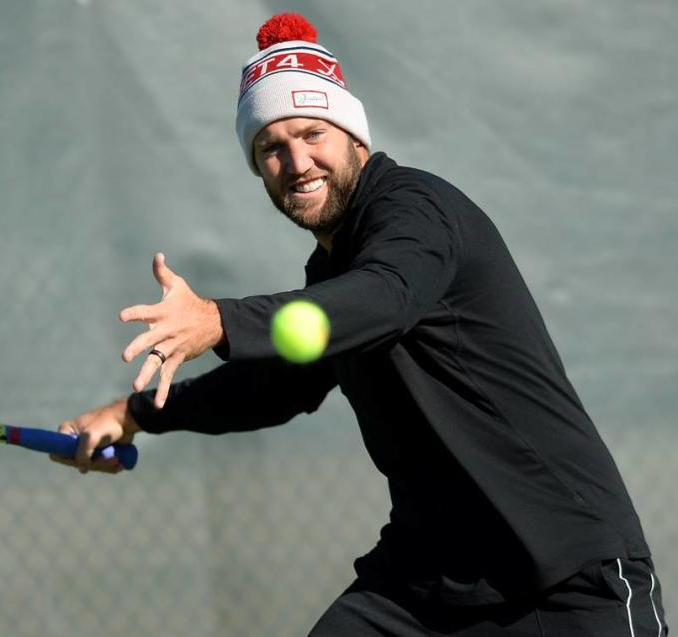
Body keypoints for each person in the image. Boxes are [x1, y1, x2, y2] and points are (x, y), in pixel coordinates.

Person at [51, 12, 668, 636]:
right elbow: (271, 386)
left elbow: (386, 298)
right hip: (427, 586)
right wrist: (134, 414)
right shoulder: (332, 276)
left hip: (561, 579)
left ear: (355, 140)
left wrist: (217, 319)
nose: (297, 161)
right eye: (272, 147)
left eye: (313, 133)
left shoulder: (417, 213)